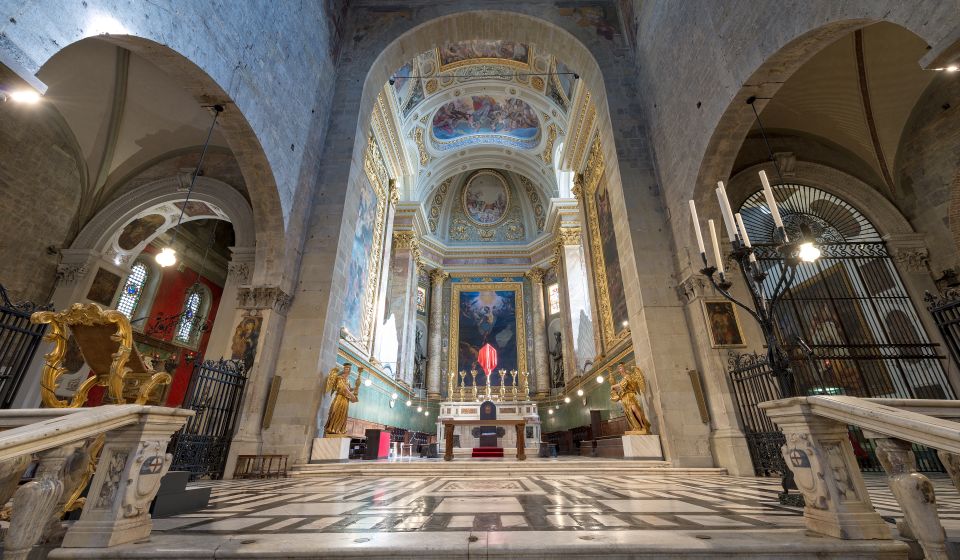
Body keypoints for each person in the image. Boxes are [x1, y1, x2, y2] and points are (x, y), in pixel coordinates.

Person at [610, 362, 651, 434]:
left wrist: (614, 386)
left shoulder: (627, 376)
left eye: (621, 367)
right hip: (625, 398)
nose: (620, 369)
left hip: (630, 395)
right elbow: (621, 389)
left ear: (624, 368)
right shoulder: (623, 378)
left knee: (634, 409)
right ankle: (636, 426)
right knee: (629, 412)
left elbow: (622, 385)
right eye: (619, 368)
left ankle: (643, 425)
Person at [323, 363, 362, 437]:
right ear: (344, 369)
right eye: (345, 368)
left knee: (343, 415)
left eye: (348, 368)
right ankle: (333, 428)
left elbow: (349, 389)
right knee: (336, 412)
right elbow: (343, 388)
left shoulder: (348, 380)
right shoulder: (339, 378)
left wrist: (356, 388)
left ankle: (339, 429)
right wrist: (352, 396)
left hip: (345, 400)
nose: (346, 370)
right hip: (340, 398)